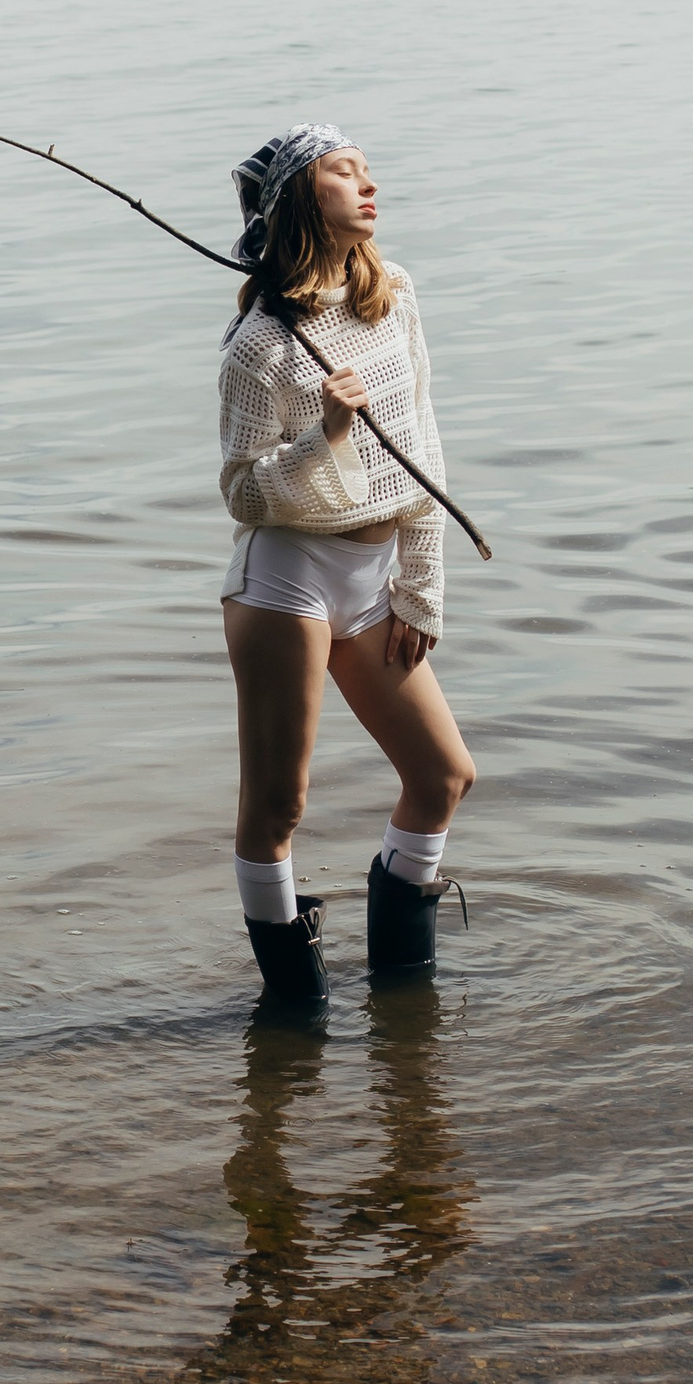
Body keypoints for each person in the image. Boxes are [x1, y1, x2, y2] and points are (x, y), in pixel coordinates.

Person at [218, 127, 474, 1007]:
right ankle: (297, 1003)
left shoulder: (392, 292)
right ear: (300, 198)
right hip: (288, 577)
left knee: (442, 777)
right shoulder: (259, 343)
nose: (369, 185)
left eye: (367, 170)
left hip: (376, 579)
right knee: (278, 807)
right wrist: (326, 434)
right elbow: (244, 495)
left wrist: (420, 580)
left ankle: (405, 997)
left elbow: (423, 437)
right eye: (344, 172)